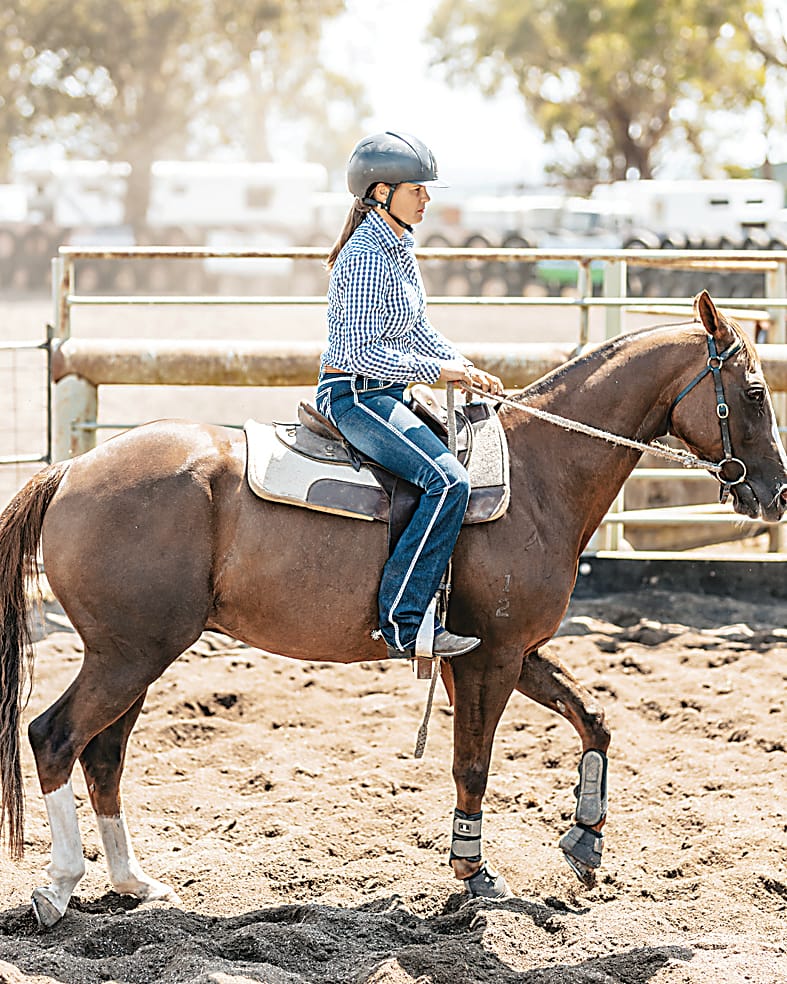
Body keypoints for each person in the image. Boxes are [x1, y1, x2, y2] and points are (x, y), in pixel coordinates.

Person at [316, 130, 504, 660]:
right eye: (416, 188)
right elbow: (358, 354)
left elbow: (416, 329)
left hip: (385, 392)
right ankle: (404, 620)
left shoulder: (397, 246)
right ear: (381, 192)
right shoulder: (365, 255)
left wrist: (462, 366)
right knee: (447, 482)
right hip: (355, 397)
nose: (427, 198)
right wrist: (437, 372)